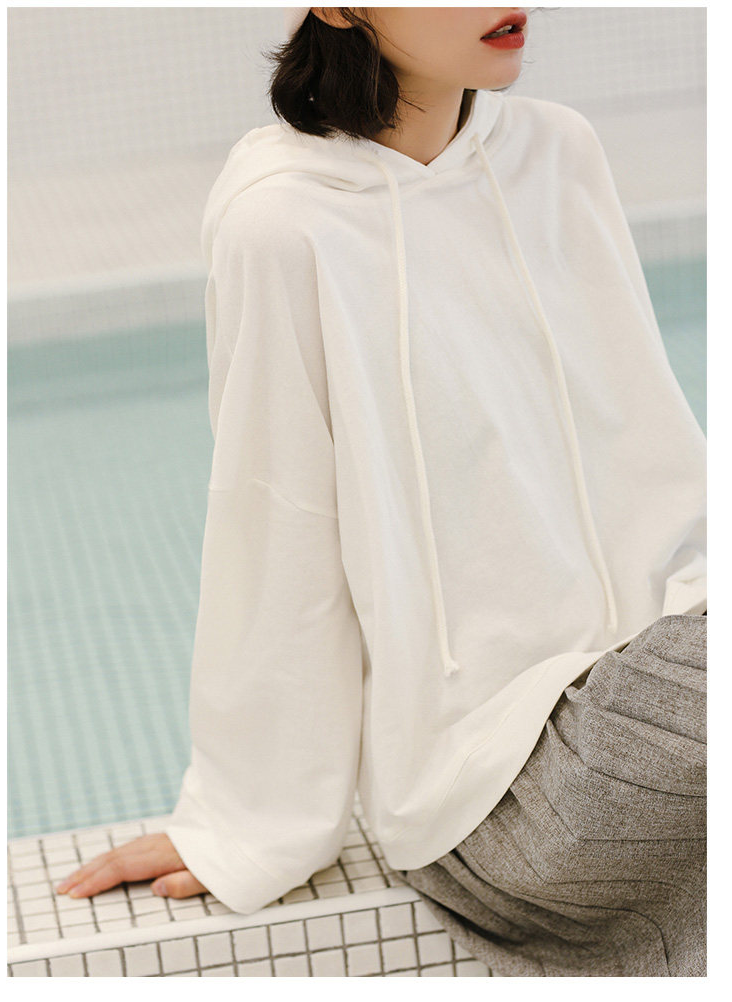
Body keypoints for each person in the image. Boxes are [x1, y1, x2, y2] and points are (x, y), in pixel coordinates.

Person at [55, 7, 707, 976]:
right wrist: (243, 821)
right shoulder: (281, 223)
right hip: (504, 783)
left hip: (659, 684)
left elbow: (647, 440)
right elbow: (276, 527)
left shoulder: (559, 154)